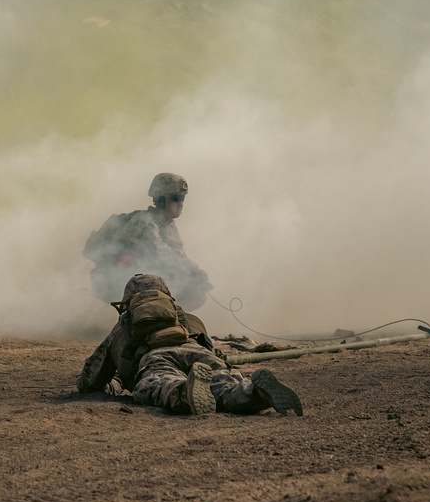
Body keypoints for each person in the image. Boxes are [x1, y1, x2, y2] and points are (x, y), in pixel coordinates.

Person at [76, 273, 303, 416]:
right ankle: (253, 392)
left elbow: (90, 378)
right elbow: (208, 346)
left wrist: (105, 383)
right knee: (226, 383)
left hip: (154, 358)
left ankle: (184, 391)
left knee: (160, 384)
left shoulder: (122, 326)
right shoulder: (182, 317)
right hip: (195, 351)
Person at [84, 173, 212, 310]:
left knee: (195, 290)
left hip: (139, 280)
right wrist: (190, 266)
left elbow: (177, 257)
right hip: (114, 281)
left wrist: (195, 274)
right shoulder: (145, 221)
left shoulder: (169, 226)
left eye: (182, 199)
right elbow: (160, 253)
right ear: (161, 200)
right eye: (175, 198)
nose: (180, 204)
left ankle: (163, 318)